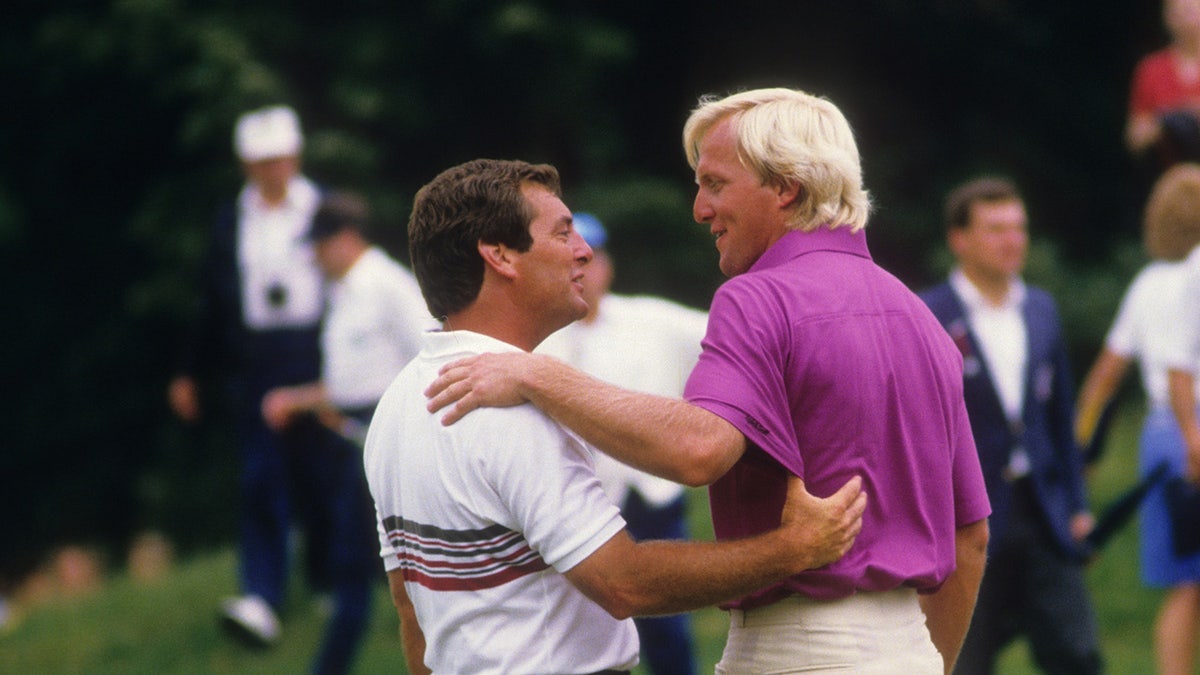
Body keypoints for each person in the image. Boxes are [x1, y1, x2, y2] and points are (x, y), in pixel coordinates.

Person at [424, 89, 991, 674]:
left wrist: (537, 375)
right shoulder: (924, 320)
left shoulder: (757, 297)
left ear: (785, 187)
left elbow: (698, 450)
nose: (699, 209)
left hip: (795, 653)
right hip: (912, 652)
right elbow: (970, 536)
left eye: (715, 184)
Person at [365, 158, 868, 675]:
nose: (584, 251)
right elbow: (624, 583)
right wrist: (793, 548)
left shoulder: (398, 404)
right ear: (500, 256)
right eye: (563, 233)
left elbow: (411, 607)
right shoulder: (507, 412)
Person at [167, 104, 337, 647]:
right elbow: (213, 300)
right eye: (262, 162)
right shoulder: (232, 220)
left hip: (314, 352)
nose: (272, 171)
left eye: (280, 159)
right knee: (261, 477)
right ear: (247, 165)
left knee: (321, 473)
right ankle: (261, 595)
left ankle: (328, 579)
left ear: (296, 157)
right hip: (257, 360)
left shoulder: (323, 208)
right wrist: (190, 371)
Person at [918, 177, 1102, 674]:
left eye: (1019, 228)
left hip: (1041, 509)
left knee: (1077, 653)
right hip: (965, 517)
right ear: (959, 238)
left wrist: (1077, 504)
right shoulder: (929, 314)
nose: (1012, 240)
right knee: (965, 658)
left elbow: (1060, 418)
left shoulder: (1041, 309)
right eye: (996, 228)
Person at [260, 191, 435, 673]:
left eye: (319, 245)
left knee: (366, 566)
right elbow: (345, 384)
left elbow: (430, 357)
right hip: (348, 440)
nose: (314, 257)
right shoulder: (340, 296)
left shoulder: (387, 286)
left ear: (346, 238)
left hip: (387, 439)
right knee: (358, 566)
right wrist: (297, 401)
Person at [537, 212, 706, 675]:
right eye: (572, 262)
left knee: (669, 623)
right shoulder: (543, 340)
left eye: (592, 260)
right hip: (584, 500)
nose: (584, 272)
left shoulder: (650, 319)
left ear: (607, 266)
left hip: (654, 493)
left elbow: (727, 340)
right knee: (588, 625)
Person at [1076, 163, 1200, 675]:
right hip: (1191, 430)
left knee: (1184, 584)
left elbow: (1104, 378)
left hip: (1160, 433)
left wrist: (1081, 449)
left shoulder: (1148, 284)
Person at [1127, 0, 1200, 174]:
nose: (1186, 18)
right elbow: (1134, 139)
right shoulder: (1152, 68)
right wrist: (1167, 121)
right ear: (1167, 16)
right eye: (1179, 11)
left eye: (1192, 10)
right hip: (1169, 175)